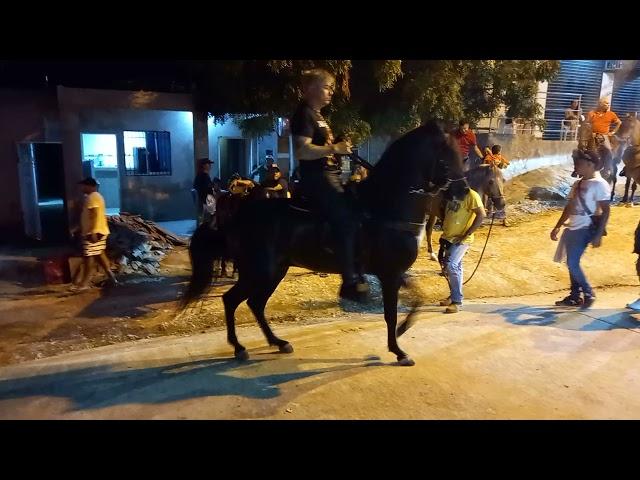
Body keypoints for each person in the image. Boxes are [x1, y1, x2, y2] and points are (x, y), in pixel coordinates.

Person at [290, 68, 368, 302]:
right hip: (317, 178)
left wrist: (340, 148)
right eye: (327, 87)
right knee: (345, 218)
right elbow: (302, 151)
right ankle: (349, 281)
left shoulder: (319, 116)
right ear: (312, 88)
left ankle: (361, 266)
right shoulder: (304, 114)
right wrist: (334, 148)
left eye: (332, 87)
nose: (331, 92)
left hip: (330, 174)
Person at [551, 149, 611, 308]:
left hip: (585, 228)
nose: (576, 166)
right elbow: (569, 206)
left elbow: (606, 211)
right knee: (571, 263)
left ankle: (588, 292)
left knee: (572, 262)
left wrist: (598, 234)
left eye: (579, 164)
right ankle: (575, 295)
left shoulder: (600, 184)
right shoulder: (578, 183)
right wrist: (557, 226)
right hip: (572, 227)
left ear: (591, 165)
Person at [438, 178, 486, 313]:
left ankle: (457, 301)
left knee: (452, 265)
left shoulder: (472, 195)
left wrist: (467, 234)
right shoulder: (452, 195)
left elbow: (481, 215)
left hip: (462, 240)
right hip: (448, 238)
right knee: (453, 267)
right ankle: (453, 296)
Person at [71, 177, 117, 291]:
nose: (81, 188)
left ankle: (84, 284)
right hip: (98, 231)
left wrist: (93, 232)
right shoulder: (94, 197)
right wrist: (77, 228)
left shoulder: (93, 197)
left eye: (83, 185)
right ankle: (112, 277)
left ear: (90, 186)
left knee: (89, 256)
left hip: (94, 232)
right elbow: (88, 217)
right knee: (99, 254)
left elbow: (95, 216)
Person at [193, 158, 214, 224]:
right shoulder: (204, 176)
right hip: (206, 202)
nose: (210, 166)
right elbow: (207, 189)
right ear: (204, 165)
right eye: (208, 164)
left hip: (204, 201)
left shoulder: (199, 175)